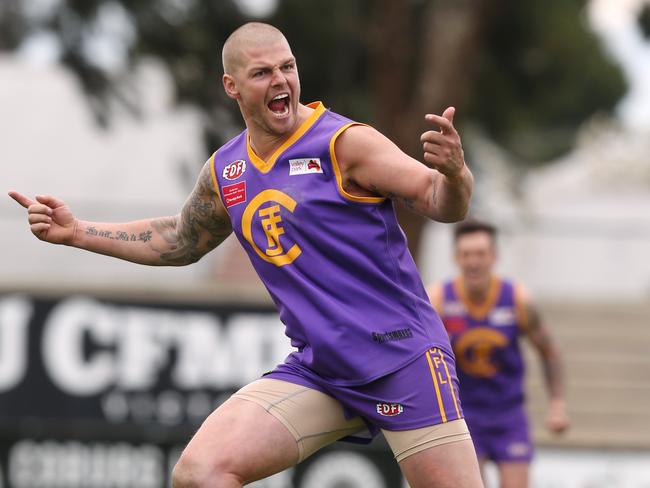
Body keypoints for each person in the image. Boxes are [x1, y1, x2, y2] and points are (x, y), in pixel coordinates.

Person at [9, 22, 483, 488]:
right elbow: (178, 240)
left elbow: (438, 199)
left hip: (402, 360)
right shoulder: (227, 171)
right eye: (262, 73)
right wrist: (77, 233)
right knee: (200, 473)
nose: (281, 80)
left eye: (288, 67)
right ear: (231, 86)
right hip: (322, 372)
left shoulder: (344, 143)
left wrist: (457, 175)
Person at [427, 220, 570, 488]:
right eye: (466, 254)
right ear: (456, 258)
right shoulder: (439, 299)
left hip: (508, 413)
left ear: (494, 256)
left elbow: (549, 351)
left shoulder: (517, 299)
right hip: (462, 415)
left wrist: (557, 404)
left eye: (480, 254)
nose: (473, 262)